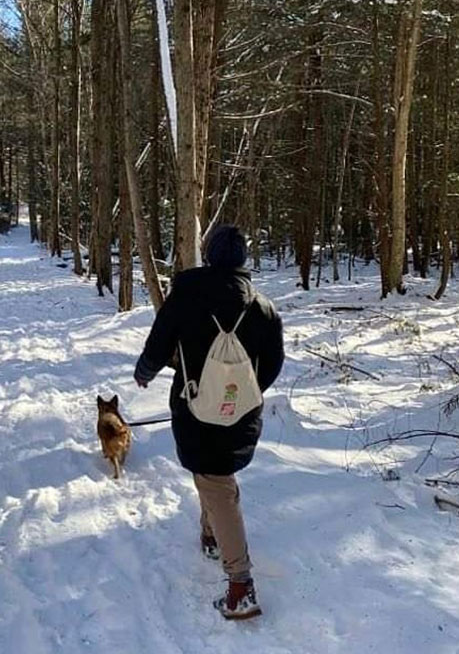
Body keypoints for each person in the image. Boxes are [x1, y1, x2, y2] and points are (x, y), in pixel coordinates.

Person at [134, 224, 284, 620]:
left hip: (194, 405)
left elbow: (159, 342)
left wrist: (145, 371)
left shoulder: (186, 296)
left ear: (209, 254)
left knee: (216, 481)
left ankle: (241, 587)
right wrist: (240, 395)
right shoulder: (263, 307)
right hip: (243, 411)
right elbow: (273, 365)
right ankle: (210, 534)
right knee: (211, 474)